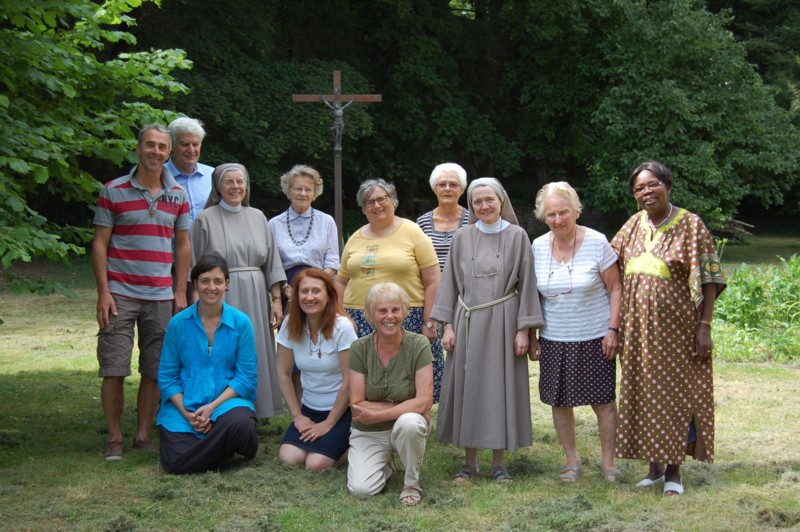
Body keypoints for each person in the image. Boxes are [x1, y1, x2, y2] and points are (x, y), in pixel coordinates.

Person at [612, 161, 726, 496]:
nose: (646, 192)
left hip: (676, 332)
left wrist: (704, 326)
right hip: (635, 331)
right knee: (642, 393)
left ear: (668, 185)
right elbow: (607, 264)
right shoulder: (632, 225)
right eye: (639, 189)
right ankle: (654, 467)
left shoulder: (691, 225)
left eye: (652, 185)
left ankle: (675, 470)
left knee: (676, 397)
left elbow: (709, 279)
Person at [430, 177, 544, 483]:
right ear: (471, 206)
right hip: (466, 321)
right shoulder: (462, 238)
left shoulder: (518, 236)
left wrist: (524, 330)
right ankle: (469, 463)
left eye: (489, 200)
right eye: (477, 202)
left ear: (501, 201)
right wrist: (448, 327)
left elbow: (527, 283)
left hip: (505, 322)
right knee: (468, 387)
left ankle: (498, 463)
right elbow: (450, 283)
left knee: (499, 387)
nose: (484, 206)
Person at [92, 123, 190, 461]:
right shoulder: (113, 190)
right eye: (150, 145)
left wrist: (180, 292)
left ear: (169, 152)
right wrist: (104, 292)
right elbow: (100, 243)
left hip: (161, 295)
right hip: (120, 293)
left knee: (155, 369)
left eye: (162, 147)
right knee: (114, 367)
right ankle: (115, 438)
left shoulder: (178, 194)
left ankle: (143, 434)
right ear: (138, 148)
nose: (156, 152)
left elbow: (183, 244)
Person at [531, 182, 622, 483]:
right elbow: (534, 297)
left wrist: (613, 329)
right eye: (551, 214)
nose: (558, 219)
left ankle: (609, 464)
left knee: (603, 402)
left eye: (563, 212)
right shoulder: (538, 246)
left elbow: (616, 288)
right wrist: (533, 336)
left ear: (577, 211)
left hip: (595, 335)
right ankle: (572, 461)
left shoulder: (597, 242)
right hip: (555, 337)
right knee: (560, 402)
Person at [191, 163, 286, 419]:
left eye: (240, 181)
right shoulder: (204, 219)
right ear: (218, 187)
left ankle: (260, 409)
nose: (235, 187)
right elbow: (195, 264)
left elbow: (272, 263)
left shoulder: (258, 217)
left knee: (254, 349)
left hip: (255, 294)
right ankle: (224, 412)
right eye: (229, 182)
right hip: (219, 295)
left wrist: (276, 300)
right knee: (223, 350)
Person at [335, 179, 444, 402]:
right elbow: (340, 282)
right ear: (363, 208)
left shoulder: (412, 231)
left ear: (392, 200)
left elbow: (433, 280)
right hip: (359, 318)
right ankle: (370, 418)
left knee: (406, 374)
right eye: (369, 202)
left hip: (406, 316)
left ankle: (411, 420)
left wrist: (430, 322)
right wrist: (343, 317)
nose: (376, 206)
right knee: (368, 375)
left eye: (381, 199)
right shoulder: (355, 237)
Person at [157, 254, 259, 474]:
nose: (211, 287)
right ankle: (221, 451)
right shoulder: (177, 324)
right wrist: (187, 414)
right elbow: (167, 377)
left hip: (226, 406)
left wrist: (212, 407)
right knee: (175, 462)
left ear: (227, 284)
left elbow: (246, 377)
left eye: (218, 281)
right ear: (195, 284)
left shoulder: (241, 323)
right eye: (205, 281)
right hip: (185, 407)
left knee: (242, 429)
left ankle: (203, 451)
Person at [347, 282, 433, 507]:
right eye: (382, 310)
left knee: (410, 422)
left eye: (395, 309)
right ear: (370, 315)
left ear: (404, 311)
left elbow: (424, 401)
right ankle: (385, 463)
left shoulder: (419, 345)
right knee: (361, 490)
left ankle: (411, 483)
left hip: (402, 426)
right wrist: (406, 406)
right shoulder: (359, 348)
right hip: (369, 431)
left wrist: (377, 414)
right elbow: (356, 404)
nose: (390, 316)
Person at [276, 268, 357, 471]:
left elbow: (350, 381)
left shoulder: (343, 327)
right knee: (288, 457)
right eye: (304, 292)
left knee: (316, 464)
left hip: (342, 411)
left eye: (316, 291)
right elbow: (283, 373)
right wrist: (298, 416)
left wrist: (328, 424)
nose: (309, 297)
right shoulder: (289, 324)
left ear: (329, 296)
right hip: (309, 409)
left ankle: (352, 447)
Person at [416, 163, 470, 271]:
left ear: (462, 190)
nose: (447, 189)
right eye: (442, 184)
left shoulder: (472, 221)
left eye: (453, 185)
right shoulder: (422, 223)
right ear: (435, 189)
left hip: (464, 287)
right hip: (432, 286)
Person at [165, 117, 214, 227]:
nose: (191, 150)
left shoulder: (213, 176)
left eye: (195, 144)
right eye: (185, 144)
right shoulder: (159, 176)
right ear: (171, 145)